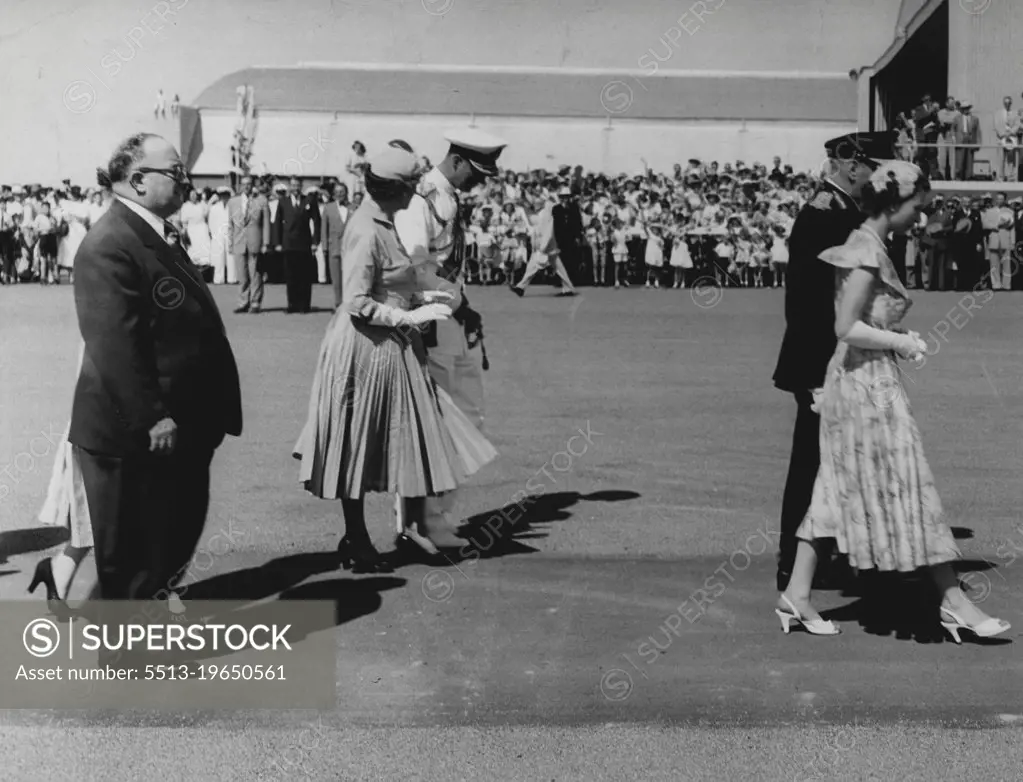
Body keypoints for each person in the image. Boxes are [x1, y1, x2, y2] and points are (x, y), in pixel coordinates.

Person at [777, 160, 1011, 643]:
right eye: (917, 207)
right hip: (863, 386)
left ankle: (796, 595)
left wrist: (897, 336)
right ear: (894, 203)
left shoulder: (871, 244)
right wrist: (899, 343)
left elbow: (863, 323)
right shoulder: (863, 248)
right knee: (909, 482)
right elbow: (844, 326)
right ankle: (953, 601)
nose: (921, 217)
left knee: (835, 488)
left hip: (865, 380)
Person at [293, 147, 496, 571]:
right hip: (364, 347)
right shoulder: (367, 229)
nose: (414, 195)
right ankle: (361, 537)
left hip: (391, 344)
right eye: (410, 187)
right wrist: (410, 314)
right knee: (355, 443)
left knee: (394, 440)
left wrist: (426, 296)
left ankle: (398, 531)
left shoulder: (382, 220)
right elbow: (357, 302)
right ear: (394, 189)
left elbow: (394, 280)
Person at [69, 133, 242, 600]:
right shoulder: (110, 243)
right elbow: (113, 346)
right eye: (176, 172)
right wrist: (152, 416)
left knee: (167, 545)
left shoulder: (152, 232)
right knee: (130, 561)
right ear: (139, 180)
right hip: (134, 434)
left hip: (177, 427)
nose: (185, 181)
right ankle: (125, 664)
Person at [772, 131, 895, 593]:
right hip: (822, 363)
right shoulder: (824, 216)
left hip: (841, 359)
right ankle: (794, 561)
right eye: (874, 167)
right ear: (849, 163)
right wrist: (811, 377)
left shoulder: (845, 211)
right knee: (811, 464)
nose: (879, 177)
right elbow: (805, 303)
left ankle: (823, 556)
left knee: (834, 463)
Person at [393, 129, 505, 551]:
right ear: (457, 161)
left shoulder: (449, 196)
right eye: (476, 173)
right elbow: (415, 266)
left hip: (451, 317)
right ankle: (418, 524)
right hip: (429, 321)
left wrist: (464, 306)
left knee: (468, 416)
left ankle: (439, 516)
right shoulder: (420, 197)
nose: (480, 182)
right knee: (435, 424)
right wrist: (455, 301)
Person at [512, 188, 578, 297]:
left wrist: (543, 247)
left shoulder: (547, 212)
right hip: (540, 245)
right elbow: (533, 225)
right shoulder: (536, 213)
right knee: (556, 267)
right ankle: (521, 287)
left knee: (537, 266)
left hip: (547, 245)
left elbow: (548, 231)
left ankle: (521, 287)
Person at [273, 175, 321, 313]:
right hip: (288, 243)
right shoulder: (283, 202)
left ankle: (304, 305)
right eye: (293, 185)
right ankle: (292, 305)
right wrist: (277, 242)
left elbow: (317, 221)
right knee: (290, 277)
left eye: (298, 185)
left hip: (304, 244)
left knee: (304, 277)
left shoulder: (309, 200)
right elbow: (277, 223)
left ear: (301, 186)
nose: (295, 188)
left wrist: (315, 241)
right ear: (290, 186)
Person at [229, 175, 271, 311]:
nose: (246, 186)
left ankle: (255, 302)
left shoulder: (261, 201)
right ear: (240, 185)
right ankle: (243, 302)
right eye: (243, 184)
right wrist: (230, 244)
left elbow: (266, 224)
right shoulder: (233, 202)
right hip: (239, 242)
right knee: (242, 275)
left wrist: (266, 243)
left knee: (256, 274)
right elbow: (230, 225)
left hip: (255, 241)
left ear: (252, 185)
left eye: (249, 184)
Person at [321, 182, 352, 310]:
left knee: (349, 278)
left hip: (350, 249)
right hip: (334, 247)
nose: (340, 194)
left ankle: (349, 303)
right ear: (333, 194)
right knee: (336, 279)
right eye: (337, 192)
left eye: (342, 191)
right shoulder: (328, 208)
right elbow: (324, 229)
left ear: (346, 193)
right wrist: (324, 247)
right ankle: (338, 303)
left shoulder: (354, 208)